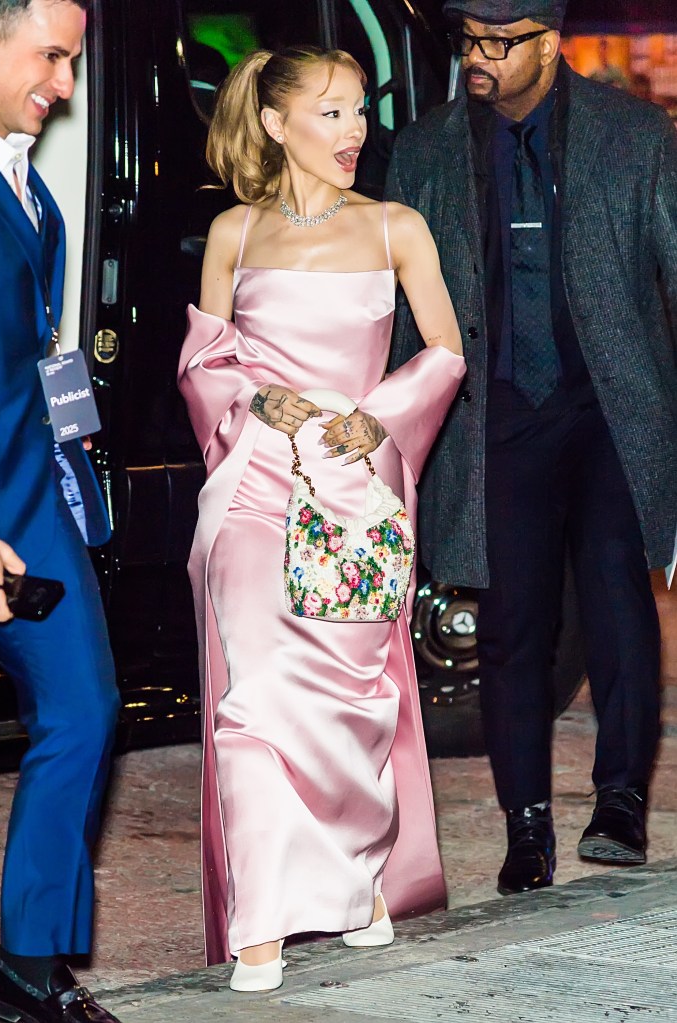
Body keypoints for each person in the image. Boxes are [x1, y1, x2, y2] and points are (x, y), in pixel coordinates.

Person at [178, 46, 465, 992]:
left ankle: (354, 873)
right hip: (255, 487)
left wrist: (369, 418)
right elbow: (204, 367)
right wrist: (258, 403)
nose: (354, 133)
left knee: (347, 706)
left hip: (351, 495)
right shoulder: (231, 233)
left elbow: (444, 356)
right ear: (275, 122)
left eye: (358, 113)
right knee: (252, 696)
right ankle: (261, 921)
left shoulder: (396, 227)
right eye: (332, 113)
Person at [386, 0, 677, 897]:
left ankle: (619, 799)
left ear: (546, 44)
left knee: (615, 597)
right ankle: (525, 826)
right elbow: (398, 307)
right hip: (494, 410)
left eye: (496, 42)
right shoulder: (424, 147)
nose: (476, 56)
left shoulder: (634, 135)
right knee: (510, 624)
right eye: (467, 38)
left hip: (610, 407)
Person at [0, 2, 122, 1021]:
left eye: (72, 61)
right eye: (53, 56)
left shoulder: (28, 184)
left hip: (32, 503)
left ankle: (29, 969)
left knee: (85, 711)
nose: (65, 84)